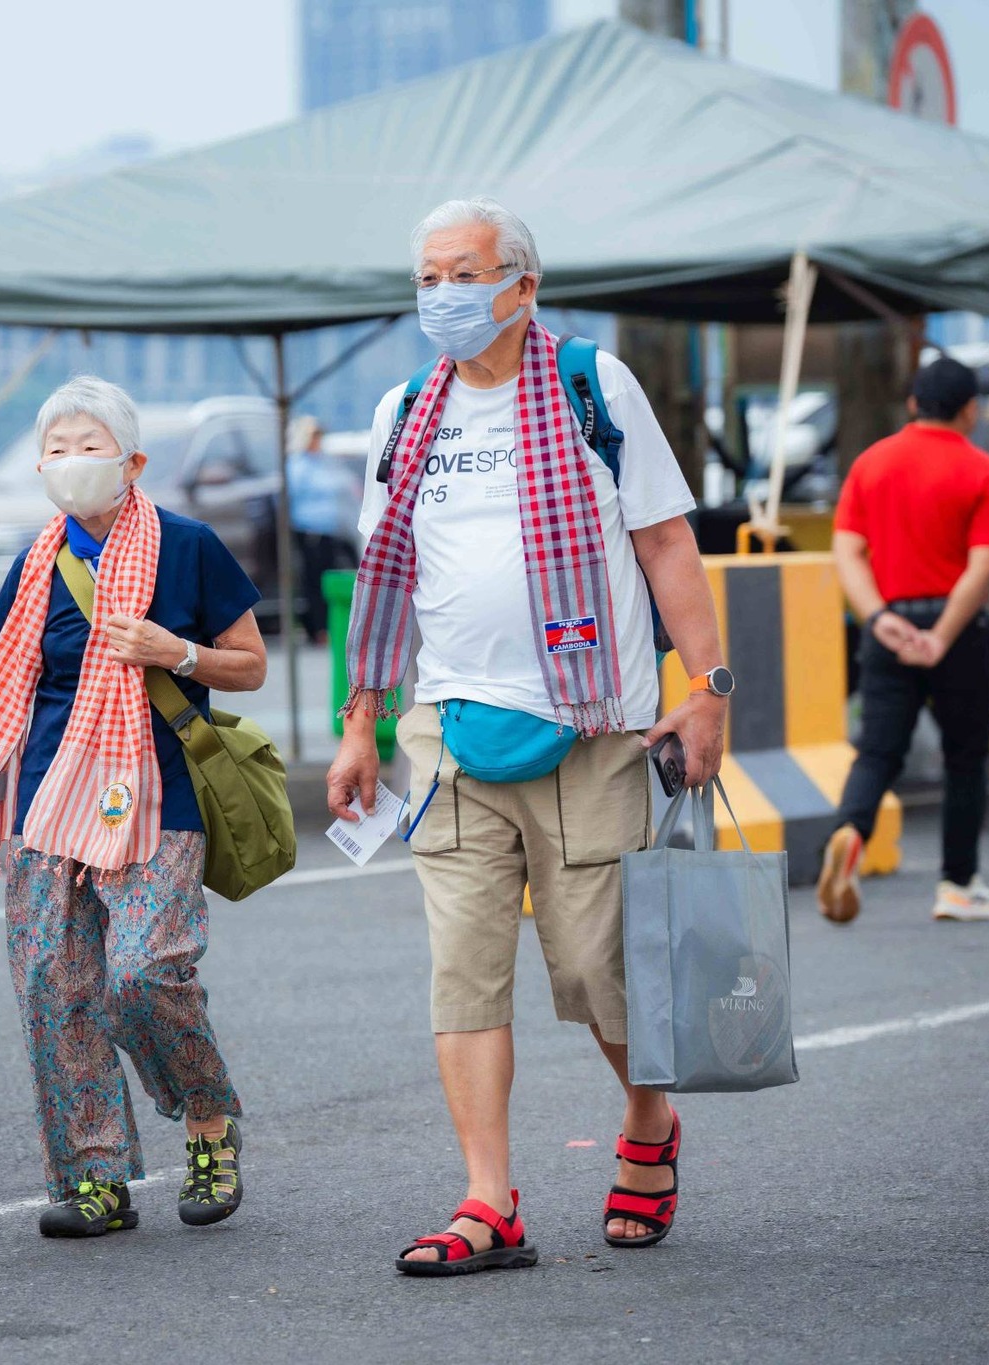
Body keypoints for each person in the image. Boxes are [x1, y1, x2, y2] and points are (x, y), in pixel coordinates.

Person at [327, 198, 730, 1274]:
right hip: (448, 732)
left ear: (523, 284)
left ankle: (647, 1121)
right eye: (426, 278)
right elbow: (383, 576)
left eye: (463, 275)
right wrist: (360, 722)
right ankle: (486, 1200)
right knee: (461, 972)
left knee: (599, 969)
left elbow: (664, 542)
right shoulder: (404, 411)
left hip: (591, 725)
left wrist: (708, 688)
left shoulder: (593, 386)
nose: (442, 296)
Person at [0, 376, 268, 1238]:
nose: (72, 461)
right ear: (40, 466)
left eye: (90, 446)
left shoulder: (188, 547)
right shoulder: (33, 564)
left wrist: (177, 650)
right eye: (58, 449)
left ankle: (208, 1120)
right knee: (55, 986)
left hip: (161, 793)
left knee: (144, 974)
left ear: (132, 462)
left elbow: (250, 663)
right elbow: (4, 697)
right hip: (47, 800)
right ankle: (95, 1178)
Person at [818, 356, 989, 925]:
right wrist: (942, 635)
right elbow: (983, 567)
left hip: (889, 626)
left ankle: (851, 833)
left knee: (878, 751)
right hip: (958, 631)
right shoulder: (985, 472)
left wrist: (878, 618)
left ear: (912, 403)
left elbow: (847, 552)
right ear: (970, 410)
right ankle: (958, 884)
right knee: (965, 758)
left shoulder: (871, 464)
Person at [287, 415, 356, 644]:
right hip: (310, 530)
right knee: (314, 581)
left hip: (330, 531)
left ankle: (327, 625)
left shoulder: (324, 462)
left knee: (329, 578)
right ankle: (318, 628)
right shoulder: (298, 465)